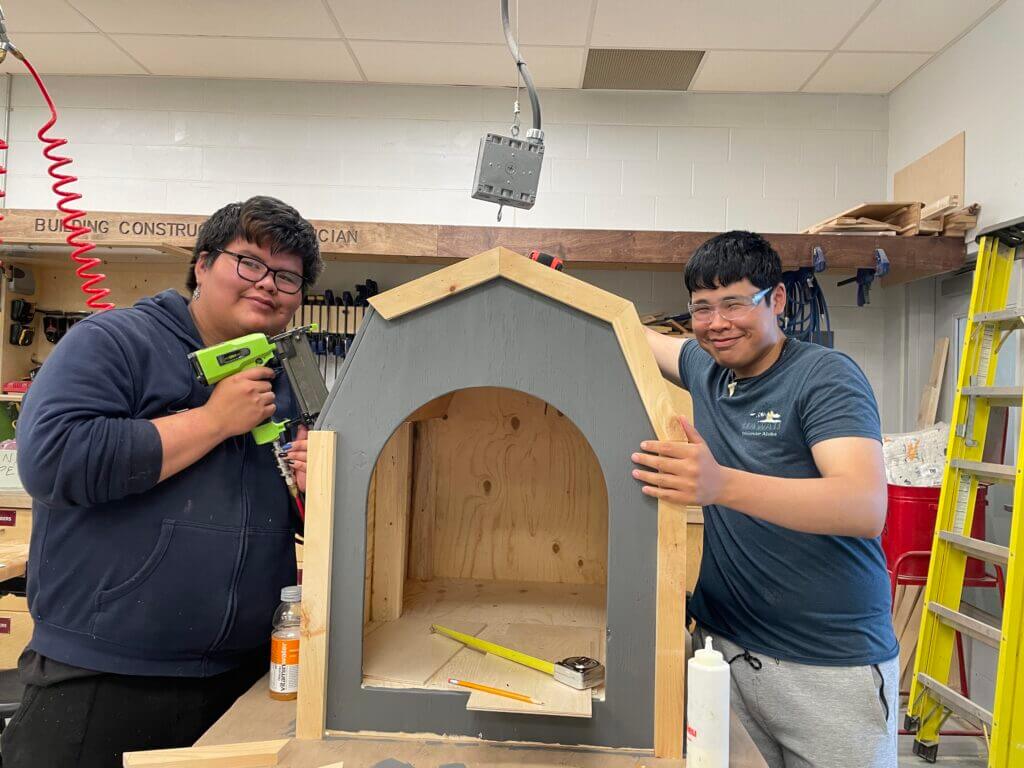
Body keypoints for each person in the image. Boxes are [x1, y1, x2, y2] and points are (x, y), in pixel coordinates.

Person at [2, 196, 322, 767]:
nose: (268, 284)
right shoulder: (116, 342)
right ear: (201, 264)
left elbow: (274, 511)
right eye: (248, 262)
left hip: (243, 681)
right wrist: (211, 421)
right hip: (103, 679)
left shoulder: (281, 376)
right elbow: (52, 459)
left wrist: (310, 485)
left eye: (287, 276)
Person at [635, 231, 898, 768]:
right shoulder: (705, 369)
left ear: (775, 300)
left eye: (734, 303)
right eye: (702, 309)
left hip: (826, 668)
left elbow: (863, 506)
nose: (717, 322)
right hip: (724, 655)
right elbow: (628, 334)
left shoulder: (824, 377)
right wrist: (554, 284)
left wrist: (719, 484)